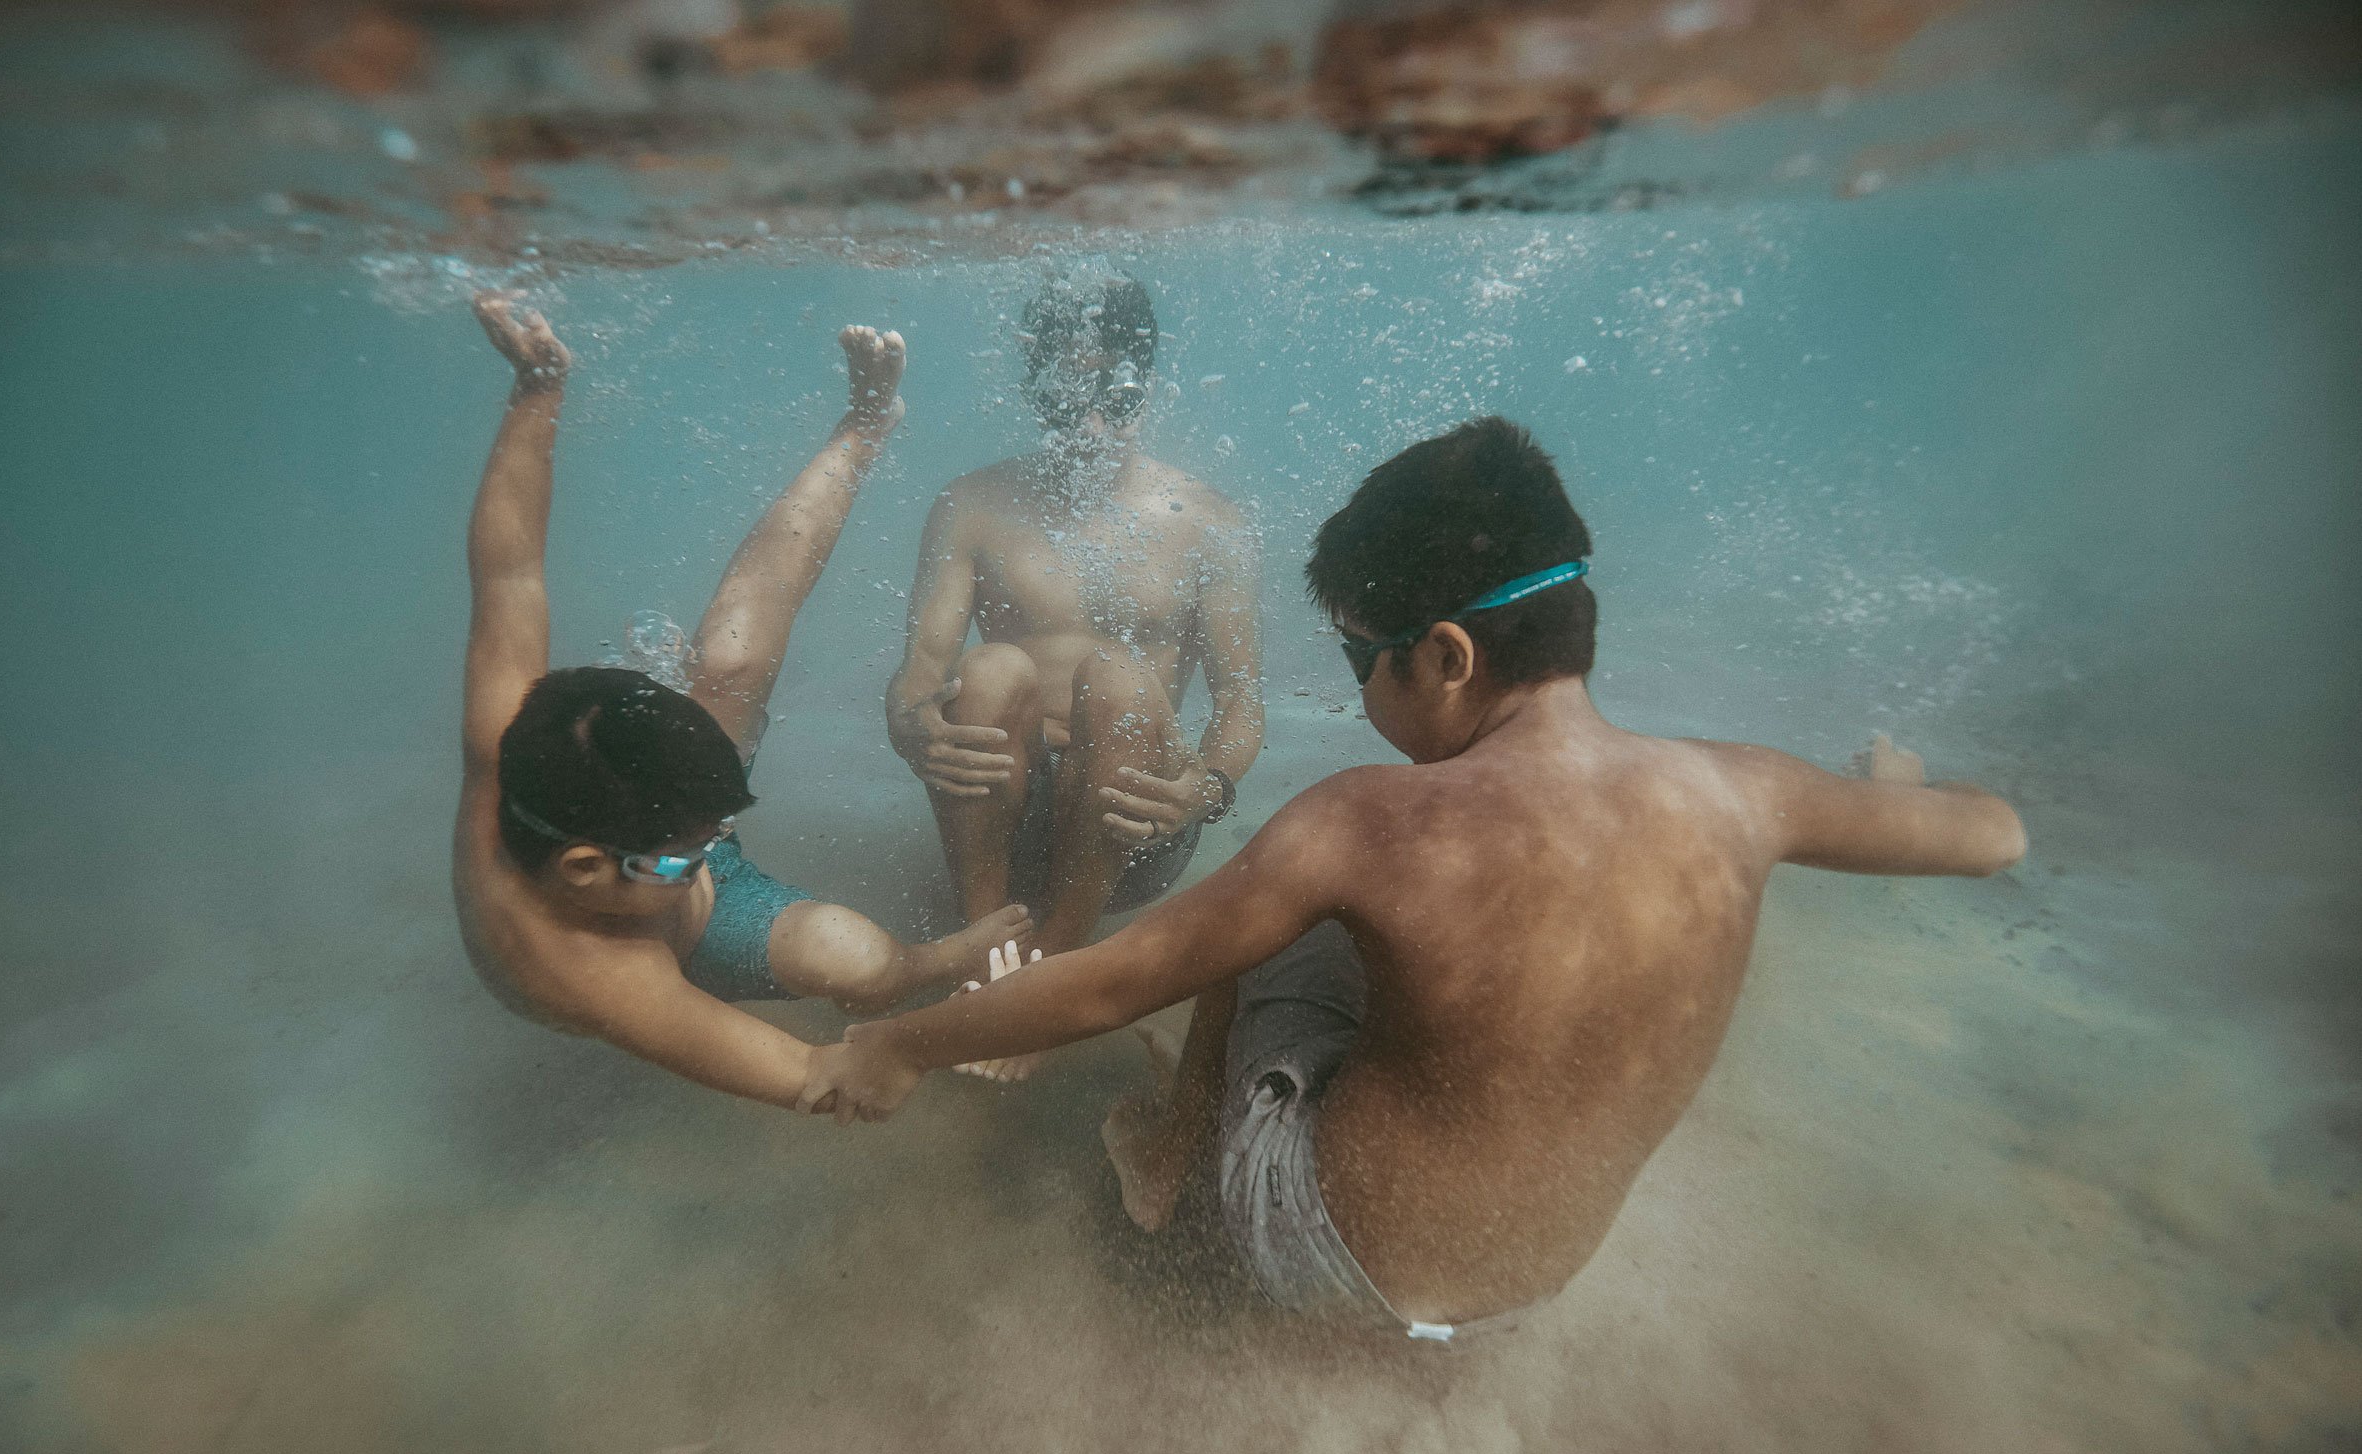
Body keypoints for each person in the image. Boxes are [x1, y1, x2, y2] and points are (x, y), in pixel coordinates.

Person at [803, 417, 2028, 1334]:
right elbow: (1995, 838)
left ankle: (1179, 1158)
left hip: (1330, 1259)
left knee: (1272, 921)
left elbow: (1112, 982)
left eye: (1356, 661)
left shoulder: (1365, 820)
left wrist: (903, 1046)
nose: (1355, 693)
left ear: (1441, 657)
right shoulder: (1751, 789)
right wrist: (1899, 789)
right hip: (1537, 1283)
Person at [453, 294, 1026, 1110]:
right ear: (585, 869)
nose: (706, 858)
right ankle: (933, 961)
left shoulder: (508, 739)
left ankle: (865, 424)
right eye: (692, 852)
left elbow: (509, 574)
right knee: (860, 962)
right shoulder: (602, 978)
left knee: (728, 660)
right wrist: (912, 1043)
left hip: (635, 847)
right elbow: (813, 1077)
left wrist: (538, 388)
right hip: (686, 944)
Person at [882, 273, 1264, 1079]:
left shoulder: (1213, 522)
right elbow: (917, 677)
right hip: (1000, 814)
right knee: (988, 668)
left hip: (1136, 825)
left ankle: (1053, 968)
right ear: (1036, 392)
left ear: (1144, 386)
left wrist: (1208, 788)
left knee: (1119, 677)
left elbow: (1240, 704)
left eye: (1114, 400)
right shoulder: (973, 502)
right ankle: (987, 949)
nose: (1088, 424)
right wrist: (910, 727)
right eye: (1064, 401)